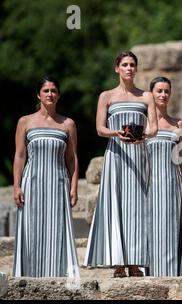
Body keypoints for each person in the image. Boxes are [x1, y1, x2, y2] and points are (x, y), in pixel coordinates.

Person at [84, 51, 157, 277]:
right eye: (125, 64)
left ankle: (135, 263)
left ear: (136, 69)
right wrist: (116, 133)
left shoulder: (146, 96)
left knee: (137, 208)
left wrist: (143, 135)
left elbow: (154, 127)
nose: (129, 68)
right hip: (116, 155)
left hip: (138, 156)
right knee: (116, 205)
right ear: (117, 68)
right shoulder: (106, 96)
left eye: (132, 65)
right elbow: (99, 128)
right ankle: (118, 262)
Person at [12, 75, 79, 278]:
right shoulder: (25, 122)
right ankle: (29, 275)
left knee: (57, 229)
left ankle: (59, 275)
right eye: (46, 91)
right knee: (32, 230)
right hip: (32, 183)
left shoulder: (68, 124)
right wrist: (16, 186)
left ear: (58, 95)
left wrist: (74, 187)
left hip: (58, 183)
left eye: (53, 91)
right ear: (39, 95)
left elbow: (72, 159)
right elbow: (20, 155)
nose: (50, 94)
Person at [146, 76, 182, 276]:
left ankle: (172, 275)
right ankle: (152, 273)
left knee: (172, 230)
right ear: (151, 94)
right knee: (151, 229)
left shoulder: (178, 124)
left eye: (166, 91)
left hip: (172, 185)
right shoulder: (144, 124)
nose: (163, 95)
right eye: (159, 91)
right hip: (150, 185)